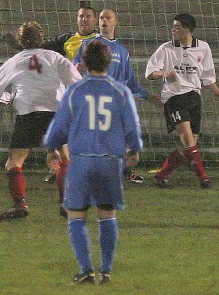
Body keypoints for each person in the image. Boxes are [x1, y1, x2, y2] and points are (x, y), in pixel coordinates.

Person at [44, 39, 143, 285]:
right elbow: (132, 126)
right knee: (106, 214)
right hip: (110, 162)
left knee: (75, 214)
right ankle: (106, 270)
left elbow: (59, 127)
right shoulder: (121, 91)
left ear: (84, 63)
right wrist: (135, 149)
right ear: (109, 62)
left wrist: (52, 148)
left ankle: (86, 269)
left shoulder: (75, 91)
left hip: (81, 162)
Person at [0, 21, 81, 221]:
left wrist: (8, 98)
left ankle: (20, 204)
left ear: (21, 40)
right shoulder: (56, 58)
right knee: (65, 159)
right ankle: (66, 203)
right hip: (56, 114)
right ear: (42, 38)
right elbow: (77, 84)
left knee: (14, 164)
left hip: (29, 115)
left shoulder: (13, 61)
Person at [6, 6, 97, 184]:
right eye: (81, 16)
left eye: (88, 16)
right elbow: (36, 49)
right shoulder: (66, 39)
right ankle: (64, 172)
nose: (84, 19)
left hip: (92, 92)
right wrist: (19, 45)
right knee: (62, 141)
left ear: (95, 20)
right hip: (68, 95)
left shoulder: (101, 42)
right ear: (76, 19)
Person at [73, 8, 159, 185]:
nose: (104, 20)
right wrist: (78, 69)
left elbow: (130, 80)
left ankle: (118, 173)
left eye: (108, 17)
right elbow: (73, 69)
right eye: (102, 18)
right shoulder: (89, 44)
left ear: (115, 22)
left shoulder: (122, 51)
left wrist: (148, 96)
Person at [146, 13, 219, 188]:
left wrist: (217, 91)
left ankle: (161, 175)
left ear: (187, 30)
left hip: (193, 97)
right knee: (187, 140)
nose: (172, 30)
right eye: (173, 26)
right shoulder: (166, 49)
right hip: (173, 97)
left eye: (177, 27)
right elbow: (150, 73)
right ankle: (204, 177)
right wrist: (163, 73)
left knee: (190, 146)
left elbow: (207, 76)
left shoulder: (203, 48)